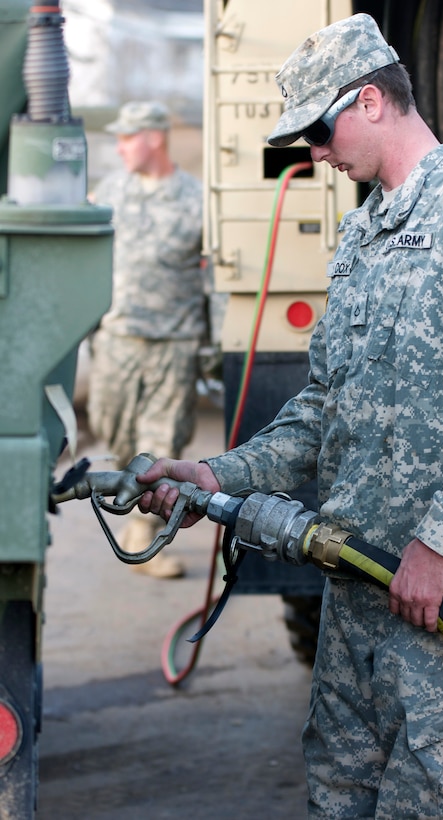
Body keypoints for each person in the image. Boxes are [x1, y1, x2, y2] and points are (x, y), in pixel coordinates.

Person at [137, 14, 443, 818]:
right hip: (358, 578)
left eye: (317, 132)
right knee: (338, 794)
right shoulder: (360, 237)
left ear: (368, 101)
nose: (315, 154)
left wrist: (434, 545)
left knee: (432, 803)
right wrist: (216, 472)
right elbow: (322, 408)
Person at [88, 100, 206, 579]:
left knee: (157, 448)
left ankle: (140, 537)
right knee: (112, 433)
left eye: (127, 137)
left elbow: (216, 276)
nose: (119, 147)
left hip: (173, 345)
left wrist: (214, 346)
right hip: (116, 340)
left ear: (155, 138)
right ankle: (129, 508)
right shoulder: (108, 193)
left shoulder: (196, 198)